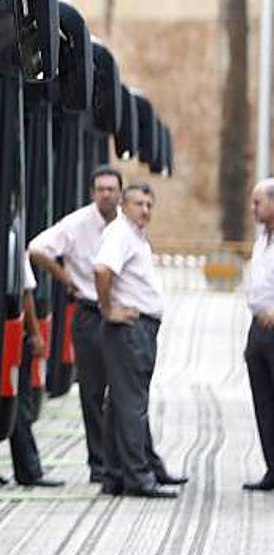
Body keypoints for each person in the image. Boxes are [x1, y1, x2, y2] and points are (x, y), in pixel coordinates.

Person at [28, 165, 122, 483]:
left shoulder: (126, 224)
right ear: (93, 192)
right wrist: (66, 279)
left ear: (120, 193)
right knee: (93, 392)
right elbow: (36, 249)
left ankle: (123, 459)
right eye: (101, 189)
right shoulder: (77, 223)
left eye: (111, 189)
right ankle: (99, 464)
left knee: (123, 391)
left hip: (121, 315)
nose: (106, 194)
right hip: (90, 314)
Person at [92, 182, 182, 498]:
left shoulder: (133, 236)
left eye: (149, 205)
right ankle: (139, 477)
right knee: (132, 404)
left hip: (136, 329)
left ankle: (115, 474)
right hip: (130, 329)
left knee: (119, 404)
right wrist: (107, 309)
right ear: (124, 206)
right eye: (138, 204)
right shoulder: (121, 233)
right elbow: (102, 270)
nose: (145, 210)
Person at [0, 253, 63, 487]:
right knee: (20, 402)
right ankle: (29, 470)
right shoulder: (15, 244)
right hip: (11, 337)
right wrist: (35, 334)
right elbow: (26, 293)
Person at [242, 178, 274, 491]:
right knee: (264, 403)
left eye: (258, 202)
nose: (253, 209)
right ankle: (272, 468)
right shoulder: (262, 239)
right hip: (258, 331)